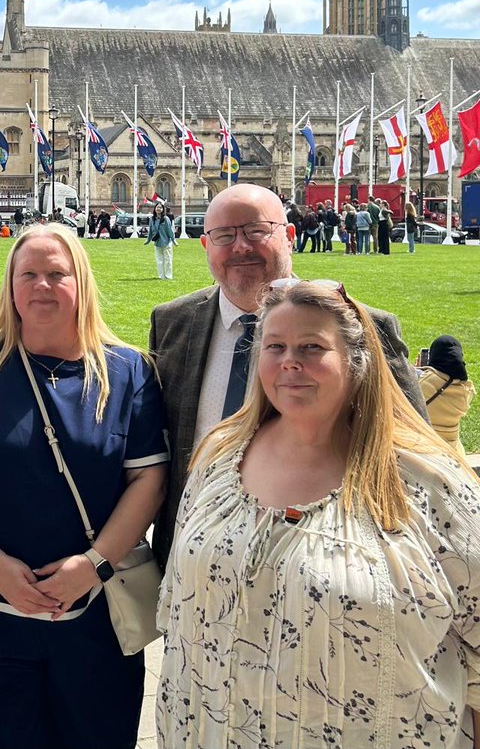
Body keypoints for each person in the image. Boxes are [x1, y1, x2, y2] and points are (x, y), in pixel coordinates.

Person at [157, 280, 480, 747]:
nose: (290, 362)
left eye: (312, 347)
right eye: (275, 346)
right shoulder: (219, 458)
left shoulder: (426, 483)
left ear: (356, 360)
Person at [0, 225, 167, 748]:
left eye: (57, 274)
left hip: (95, 616)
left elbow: (148, 477)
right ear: (9, 286)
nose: (41, 286)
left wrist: (93, 563)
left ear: (81, 281)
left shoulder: (127, 372)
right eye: (27, 274)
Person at [148, 182, 427, 565]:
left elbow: (413, 448)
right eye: (224, 235)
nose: (241, 246)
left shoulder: (362, 326)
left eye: (256, 230)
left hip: (322, 566)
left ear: (290, 235)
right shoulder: (172, 322)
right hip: (195, 560)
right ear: (205, 246)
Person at [418, 335, 476, 455]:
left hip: (426, 446)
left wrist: (418, 370)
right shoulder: (466, 390)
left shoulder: (423, 381)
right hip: (454, 452)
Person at [146, 201, 176, 279]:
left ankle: (168, 276)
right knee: (159, 260)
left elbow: (169, 230)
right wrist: (148, 240)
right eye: (157, 207)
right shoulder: (152, 219)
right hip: (157, 242)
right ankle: (161, 276)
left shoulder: (166, 219)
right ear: (155, 208)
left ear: (163, 209)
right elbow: (150, 231)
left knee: (168, 259)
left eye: (160, 207)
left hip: (166, 241)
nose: (158, 209)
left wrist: (173, 240)